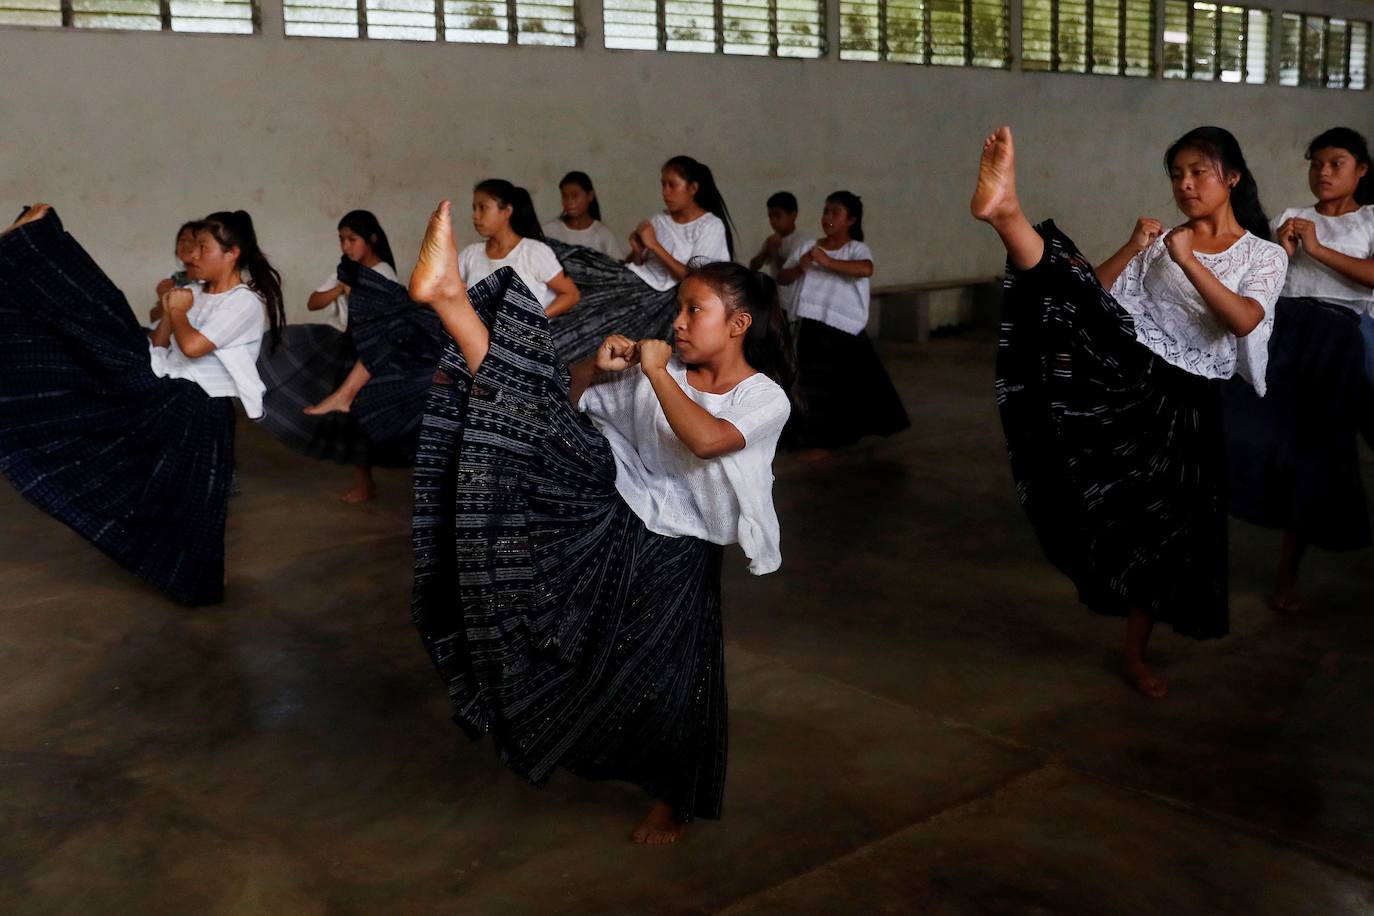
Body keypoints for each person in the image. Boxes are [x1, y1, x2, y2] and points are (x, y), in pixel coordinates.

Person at [406, 200, 794, 844]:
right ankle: (452, 302)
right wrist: (594, 367)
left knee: (673, 675)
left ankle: (673, 797)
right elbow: (558, 404)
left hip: (682, 550)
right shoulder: (658, 372)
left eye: (694, 310)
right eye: (678, 309)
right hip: (618, 508)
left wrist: (655, 369)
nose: (679, 322)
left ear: (738, 325)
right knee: (540, 425)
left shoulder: (762, 395)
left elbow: (707, 440)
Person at [971, 126, 1286, 698]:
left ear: (1232, 177)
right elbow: (1096, 298)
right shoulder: (1165, 240)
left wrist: (1189, 261)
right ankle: (1007, 214)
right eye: (1176, 174)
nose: (1185, 185)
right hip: (1128, 373)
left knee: (1163, 527)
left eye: (1198, 172)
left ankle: (1135, 655)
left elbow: (1244, 320)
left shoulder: (1263, 254)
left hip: (1187, 403)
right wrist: (1136, 248)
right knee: (1063, 308)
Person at [0, 205, 279, 605]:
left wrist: (178, 311)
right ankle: (35, 247)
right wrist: (169, 310)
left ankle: (193, 583)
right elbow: (160, 346)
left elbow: (194, 346)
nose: (192, 256)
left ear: (232, 253)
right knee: (97, 340)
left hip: (203, 408)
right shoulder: (195, 294)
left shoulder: (246, 301)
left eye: (203, 247)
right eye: (193, 247)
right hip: (168, 394)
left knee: (196, 502)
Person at [1223, 127, 1374, 611]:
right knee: (1243, 431)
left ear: (1361, 170)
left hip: (1340, 337)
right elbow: (1262, 280)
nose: (1324, 173)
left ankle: (1286, 579)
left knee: (1316, 452)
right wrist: (1283, 251)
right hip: (1285, 333)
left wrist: (1318, 249)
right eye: (1316, 164)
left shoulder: (1370, 218)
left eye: (1337, 164)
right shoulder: (1292, 217)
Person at [547, 155, 735, 363]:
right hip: (632, 283)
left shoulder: (710, 226)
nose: (665, 192)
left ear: (693, 188)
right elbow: (637, 265)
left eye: (672, 185)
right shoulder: (658, 220)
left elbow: (698, 280)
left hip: (662, 301)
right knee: (579, 272)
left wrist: (654, 245)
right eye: (663, 185)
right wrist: (637, 250)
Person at [779, 191, 910, 449]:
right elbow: (783, 276)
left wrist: (827, 261)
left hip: (843, 328)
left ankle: (838, 437)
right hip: (813, 325)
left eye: (834, 213)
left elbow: (865, 269)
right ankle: (814, 438)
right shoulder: (809, 248)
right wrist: (800, 267)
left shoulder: (856, 249)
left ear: (850, 220)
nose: (827, 217)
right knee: (811, 384)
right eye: (825, 211)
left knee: (848, 385)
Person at [541, 171, 626, 259]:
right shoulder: (549, 231)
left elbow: (617, 267)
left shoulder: (603, 234)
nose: (570, 201)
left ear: (590, 196)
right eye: (565, 196)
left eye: (575, 196)